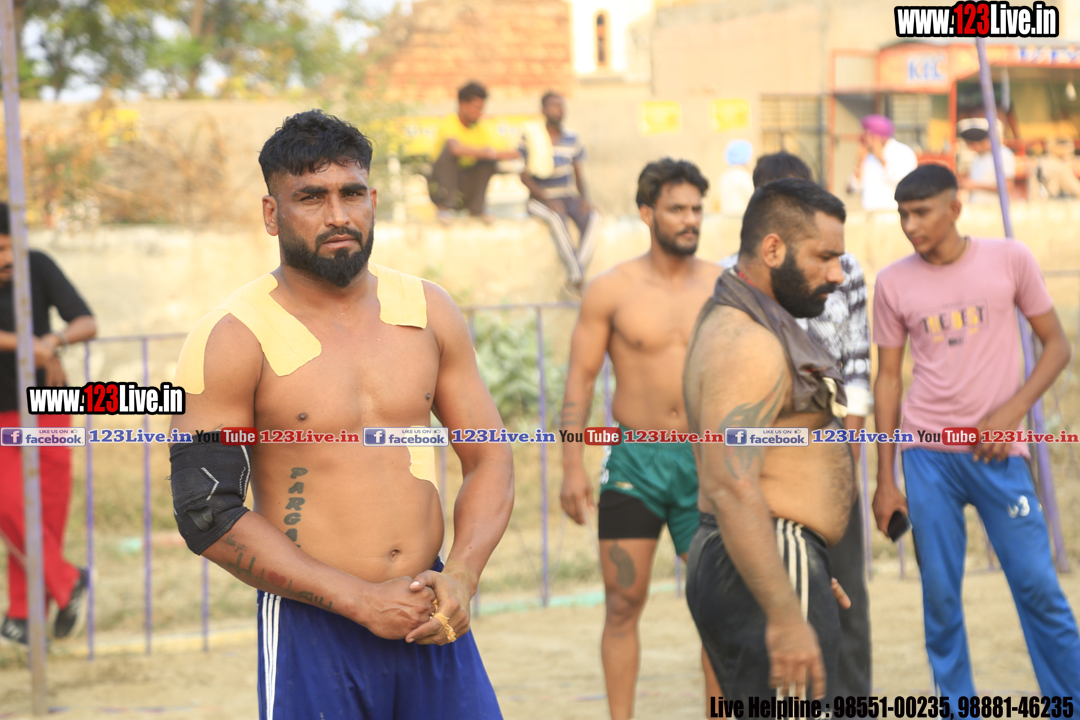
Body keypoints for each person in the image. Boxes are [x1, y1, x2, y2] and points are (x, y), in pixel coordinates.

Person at [169, 110, 514, 719]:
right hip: (313, 627)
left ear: (372, 200)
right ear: (272, 213)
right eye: (311, 197)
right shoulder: (233, 335)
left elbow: (489, 456)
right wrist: (357, 599)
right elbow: (207, 511)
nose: (337, 215)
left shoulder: (428, 311)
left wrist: (462, 574)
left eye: (351, 193)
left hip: (428, 610)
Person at [872, 164, 1080, 697]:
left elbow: (1057, 346)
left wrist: (1014, 410)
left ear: (954, 209)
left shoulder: (1011, 259)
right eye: (902, 215)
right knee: (940, 598)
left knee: (1038, 587)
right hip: (926, 455)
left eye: (921, 213)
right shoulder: (892, 282)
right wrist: (886, 479)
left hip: (999, 455)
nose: (910, 225)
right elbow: (888, 379)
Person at [559, 158, 722, 720]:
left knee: (717, 606)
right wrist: (571, 467)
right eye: (677, 209)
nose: (690, 219)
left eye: (696, 209)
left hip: (706, 462)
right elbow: (580, 380)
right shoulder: (611, 290)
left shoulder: (723, 287)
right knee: (623, 602)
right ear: (647, 213)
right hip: (634, 463)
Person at [684, 178, 853, 701]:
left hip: (775, 555)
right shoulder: (748, 343)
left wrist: (801, 571)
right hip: (771, 551)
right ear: (773, 249)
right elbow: (730, 486)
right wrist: (784, 607)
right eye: (824, 257)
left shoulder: (740, 321)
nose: (837, 274)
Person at [718, 151, 872, 696]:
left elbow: (858, 359)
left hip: (829, 449)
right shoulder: (730, 279)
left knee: (845, 593)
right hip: (760, 462)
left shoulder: (844, 270)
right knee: (758, 594)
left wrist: (849, 448)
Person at [0, 202, 96, 647]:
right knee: (11, 506)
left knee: (47, 511)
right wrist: (29, 347)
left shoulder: (36, 265)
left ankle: (25, 613)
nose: (5, 259)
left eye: (9, 248)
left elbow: (86, 321)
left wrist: (53, 341)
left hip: (49, 402)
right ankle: (68, 580)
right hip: (3, 409)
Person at [520, 91, 601, 292]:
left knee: (594, 218)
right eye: (554, 106)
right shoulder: (531, 137)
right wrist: (546, 199)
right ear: (543, 110)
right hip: (540, 198)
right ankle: (578, 279)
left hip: (566, 195)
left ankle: (575, 276)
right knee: (557, 218)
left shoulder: (572, 138)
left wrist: (584, 199)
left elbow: (578, 173)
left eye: (561, 106)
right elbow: (523, 175)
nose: (559, 110)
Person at [428, 81, 521, 224]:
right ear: (463, 105)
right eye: (476, 108)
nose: (479, 112)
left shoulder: (482, 126)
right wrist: (489, 153)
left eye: (482, 108)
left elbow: (503, 151)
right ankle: (444, 208)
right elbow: (455, 149)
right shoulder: (449, 121)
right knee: (450, 153)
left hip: (464, 188)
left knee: (487, 160)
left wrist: (501, 153)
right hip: (441, 186)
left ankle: (477, 209)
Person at [847, 114, 917, 212]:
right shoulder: (869, 156)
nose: (866, 139)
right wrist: (860, 162)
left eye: (869, 135)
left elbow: (904, 184)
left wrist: (881, 158)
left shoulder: (903, 152)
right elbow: (852, 189)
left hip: (894, 213)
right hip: (869, 214)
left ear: (880, 136)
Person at [958, 119, 1016, 205]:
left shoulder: (1003, 155)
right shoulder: (977, 158)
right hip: (977, 209)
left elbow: (1007, 187)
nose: (971, 148)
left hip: (994, 209)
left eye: (973, 144)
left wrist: (975, 185)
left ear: (985, 140)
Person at [718, 139, 755, 217]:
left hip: (726, 219)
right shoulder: (745, 177)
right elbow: (752, 201)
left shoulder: (724, 177)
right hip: (741, 218)